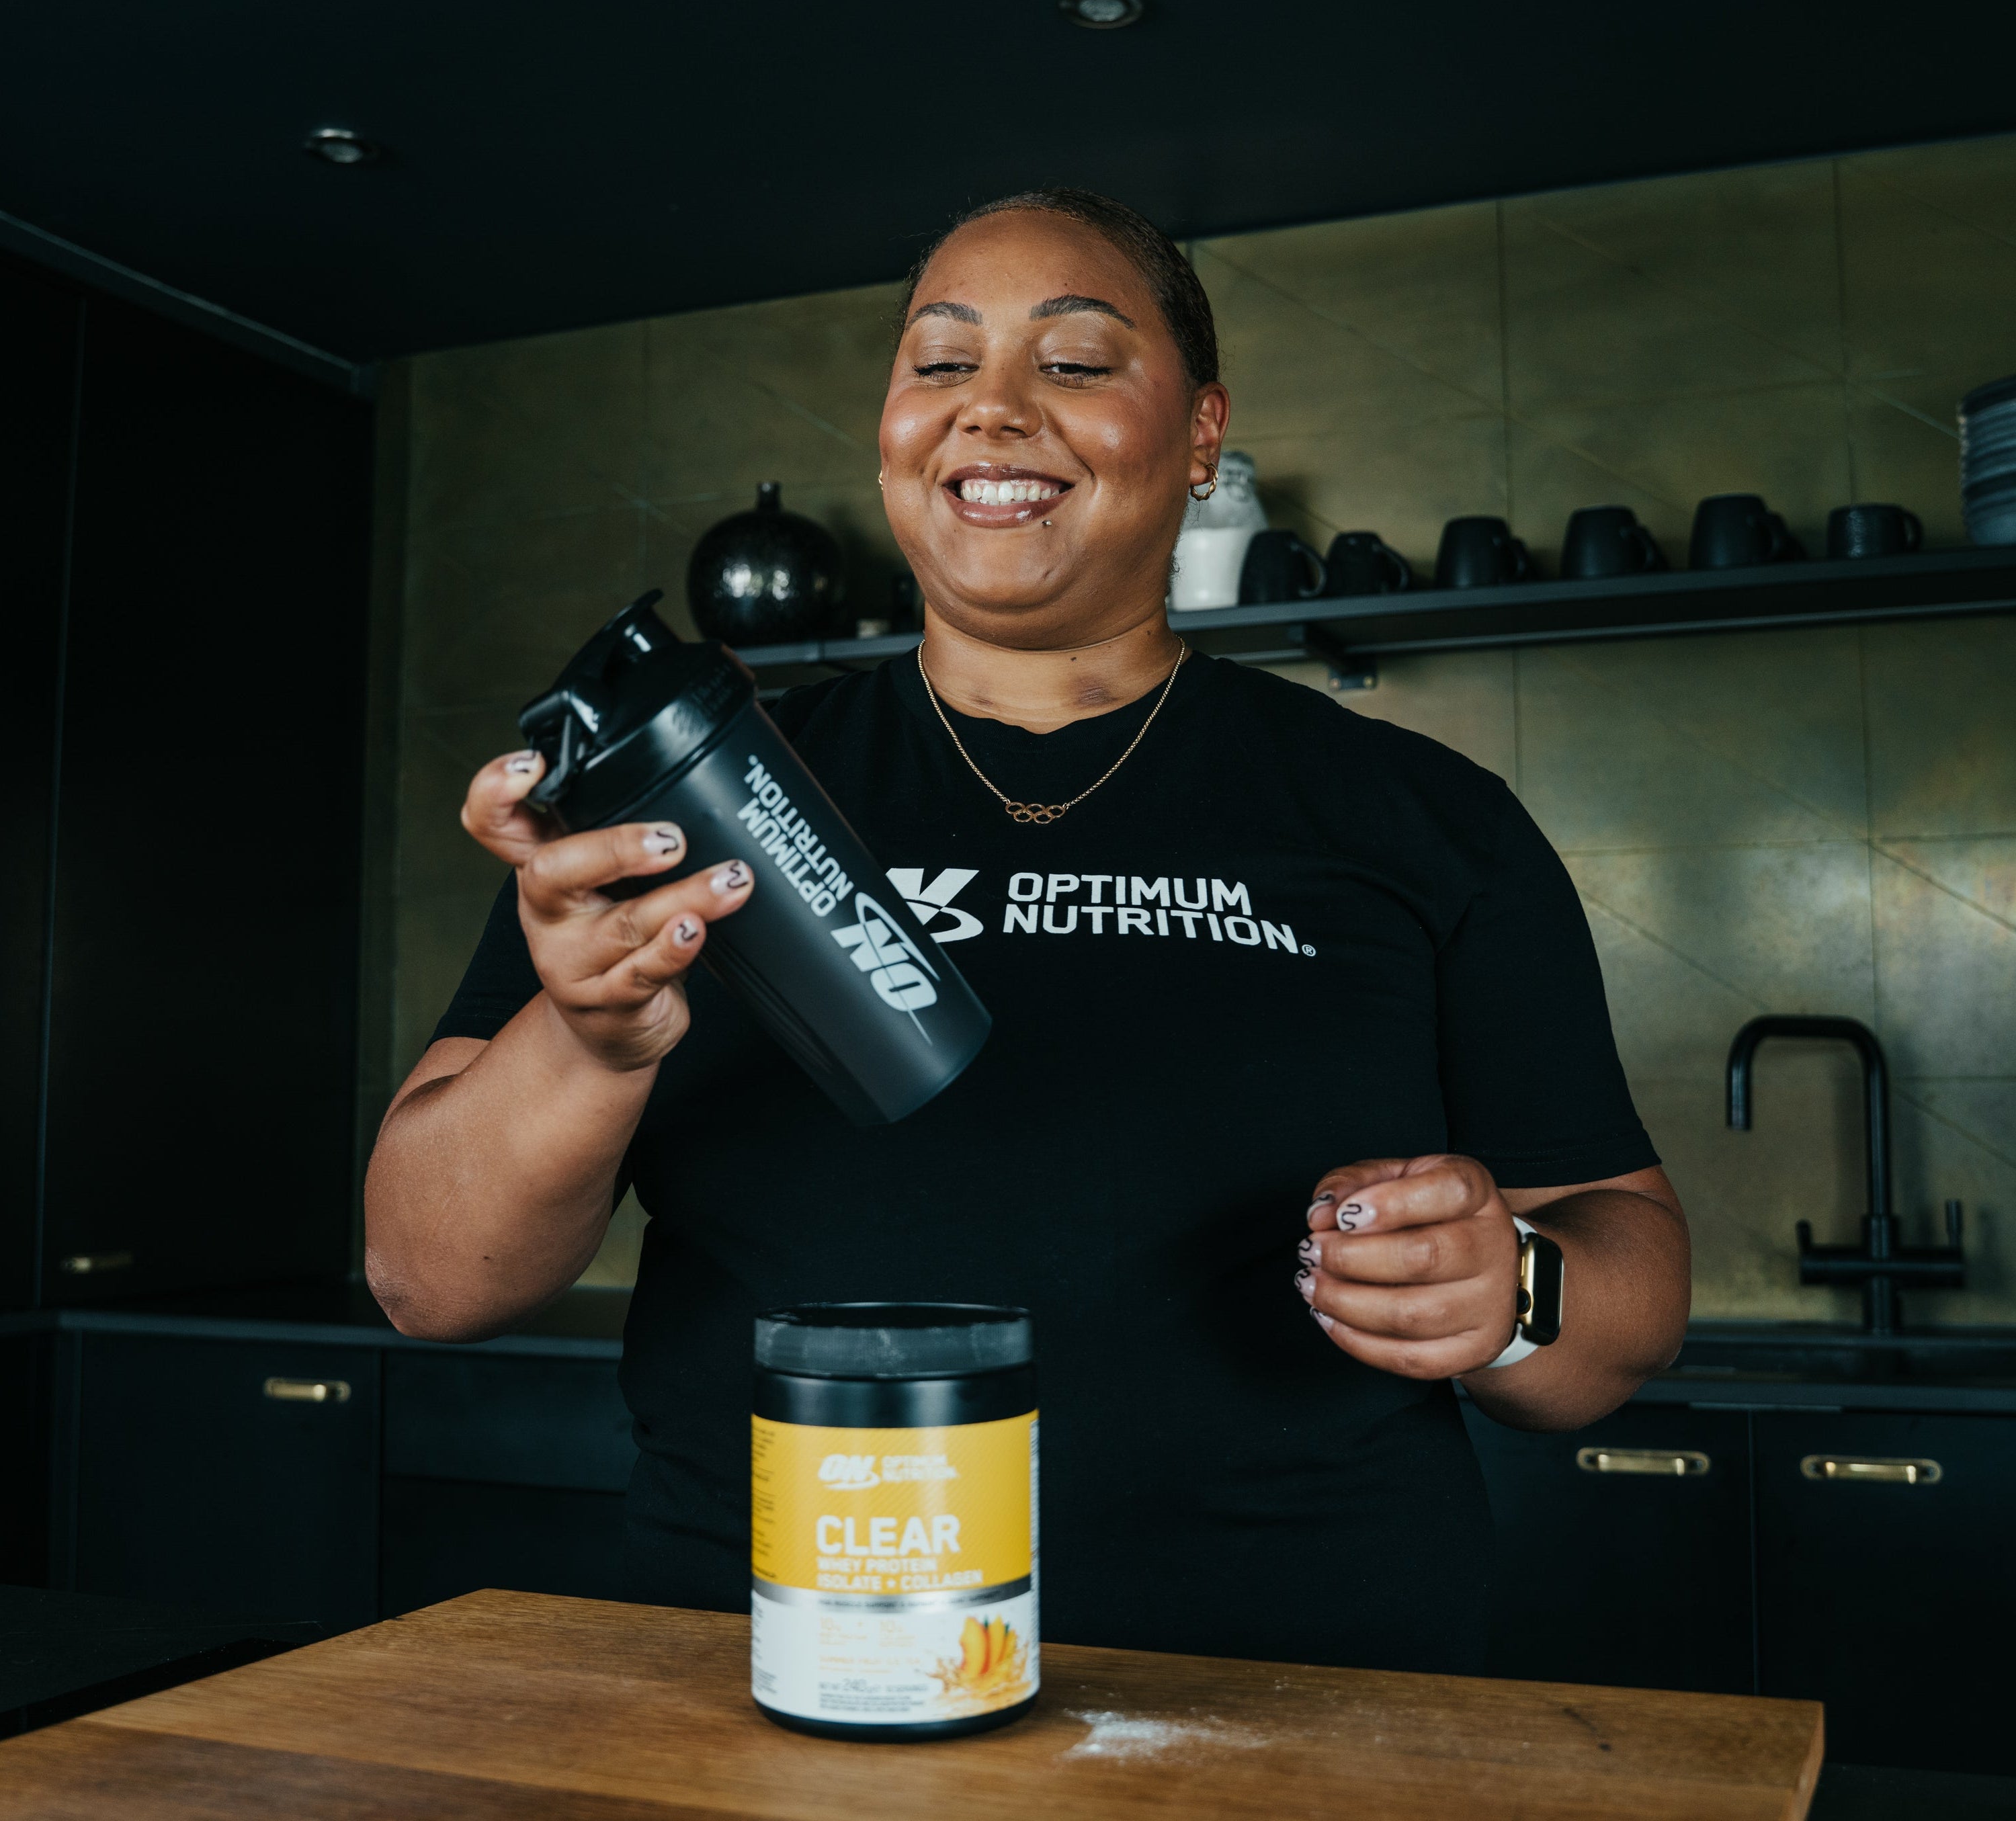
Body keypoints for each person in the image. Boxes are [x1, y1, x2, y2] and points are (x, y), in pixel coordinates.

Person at [366, 187, 1690, 1675]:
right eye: (940, 363)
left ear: (1201, 434)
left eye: (1073, 362)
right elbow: (432, 1279)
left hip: (1301, 1692)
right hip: (777, 1685)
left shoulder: (1420, 817)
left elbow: (1626, 1278)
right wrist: (593, 1037)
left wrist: (1510, 1288)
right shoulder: (690, 798)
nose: (990, 413)